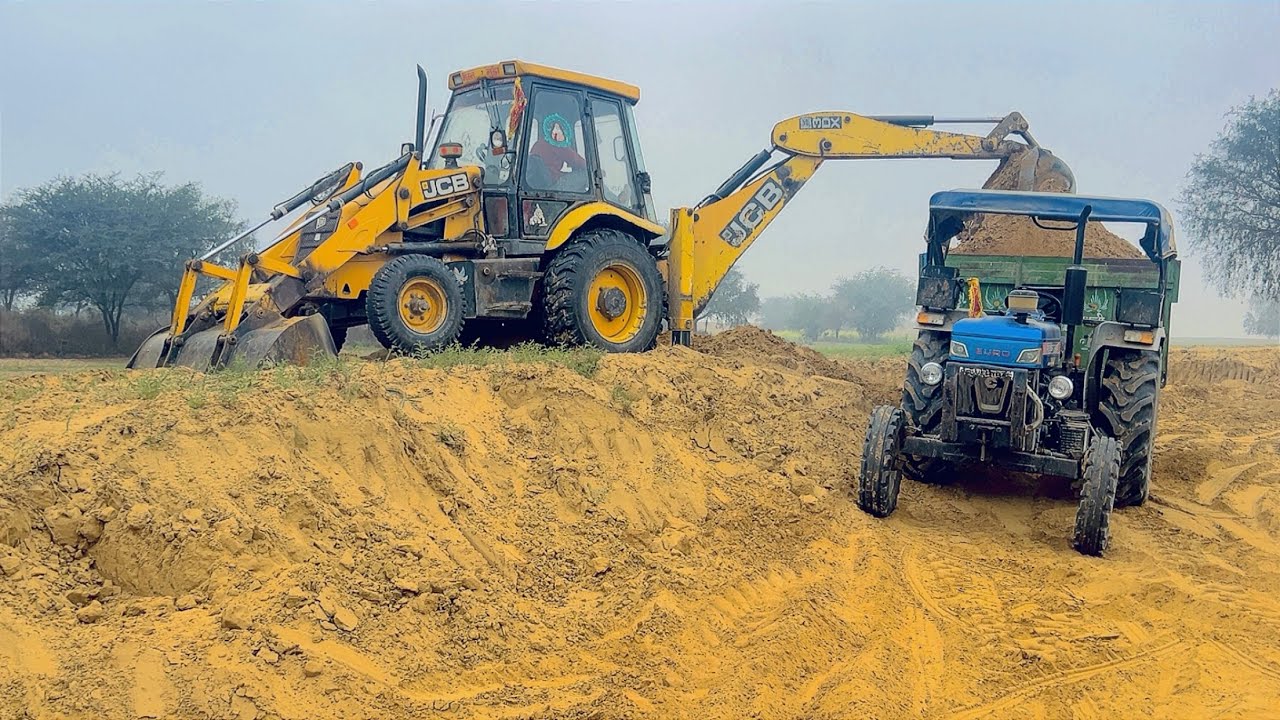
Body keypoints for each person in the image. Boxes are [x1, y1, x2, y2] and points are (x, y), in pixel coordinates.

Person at [527, 108, 587, 192]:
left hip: (537, 188)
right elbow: (575, 160)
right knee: (587, 175)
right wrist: (594, 170)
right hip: (553, 186)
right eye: (559, 129)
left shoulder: (538, 144)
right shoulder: (555, 143)